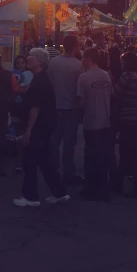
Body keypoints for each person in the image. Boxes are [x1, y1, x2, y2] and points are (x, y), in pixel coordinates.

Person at [13, 48, 70, 208]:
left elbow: (35, 107)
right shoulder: (41, 78)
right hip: (44, 127)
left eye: (31, 57)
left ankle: (30, 196)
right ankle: (59, 193)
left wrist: (29, 129)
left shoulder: (40, 80)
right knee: (45, 162)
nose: (28, 58)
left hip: (39, 128)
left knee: (29, 161)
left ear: (39, 61)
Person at [77, 47, 112, 201]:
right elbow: (111, 95)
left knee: (90, 155)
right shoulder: (106, 75)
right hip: (105, 120)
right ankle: (103, 186)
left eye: (83, 57)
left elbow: (81, 102)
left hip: (91, 121)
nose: (81, 61)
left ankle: (91, 187)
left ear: (88, 59)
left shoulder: (84, 77)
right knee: (102, 155)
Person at [48, 36, 84, 184]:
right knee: (69, 143)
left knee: (54, 141)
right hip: (71, 108)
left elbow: (49, 85)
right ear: (74, 47)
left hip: (55, 107)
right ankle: (68, 173)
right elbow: (80, 90)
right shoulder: (79, 65)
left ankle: (53, 171)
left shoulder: (53, 63)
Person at [113, 52, 137, 198]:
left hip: (127, 119)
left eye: (122, 62)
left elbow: (116, 93)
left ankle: (118, 184)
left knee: (125, 153)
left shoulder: (127, 76)